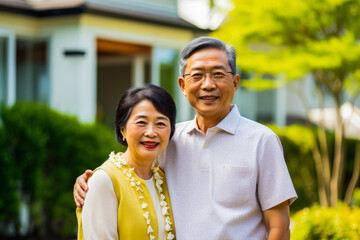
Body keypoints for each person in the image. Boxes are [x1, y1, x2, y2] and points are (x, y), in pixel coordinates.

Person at [74, 37, 297, 239]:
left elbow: (278, 226)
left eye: (218, 74)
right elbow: (133, 171)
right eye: (197, 75)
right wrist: (91, 182)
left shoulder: (262, 140)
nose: (208, 84)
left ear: (235, 82)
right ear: (183, 85)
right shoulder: (170, 139)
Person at [76, 84, 177, 240]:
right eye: (141, 122)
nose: (151, 132)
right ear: (123, 129)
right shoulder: (104, 180)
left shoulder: (164, 179)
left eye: (161, 123)